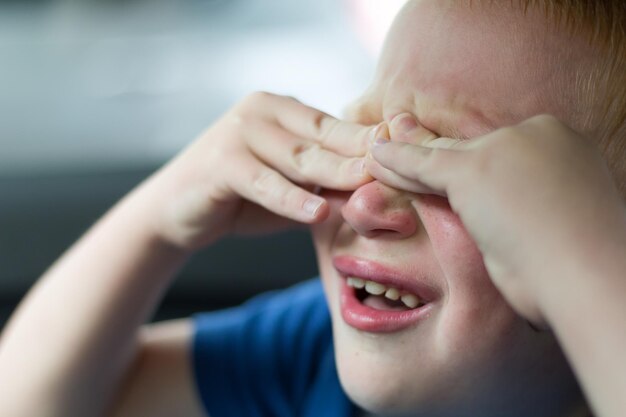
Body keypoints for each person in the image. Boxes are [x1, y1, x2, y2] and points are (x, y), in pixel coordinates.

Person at [0, 0, 624, 416]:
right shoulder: (311, 353)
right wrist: (161, 217)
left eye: (457, 163)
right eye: (360, 134)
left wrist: (584, 269)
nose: (365, 204)